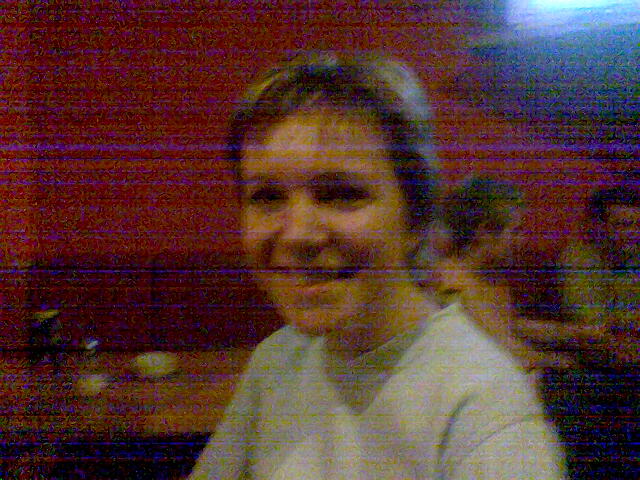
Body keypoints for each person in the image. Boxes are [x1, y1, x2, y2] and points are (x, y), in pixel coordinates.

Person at [188, 52, 564, 479]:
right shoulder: (278, 360)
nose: (296, 234)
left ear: (415, 218)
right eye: (267, 197)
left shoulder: (485, 413)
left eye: (341, 194)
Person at [514, 186, 639, 479]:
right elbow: (594, 327)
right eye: (621, 225)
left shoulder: (632, 260)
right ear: (597, 227)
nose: (631, 233)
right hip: (578, 363)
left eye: (636, 225)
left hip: (619, 363)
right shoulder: (579, 259)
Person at [425, 176, 575, 373]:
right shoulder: (453, 282)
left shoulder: (488, 275)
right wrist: (556, 362)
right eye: (515, 231)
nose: (522, 240)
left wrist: (580, 333)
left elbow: (508, 325)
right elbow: (507, 349)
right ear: (485, 232)